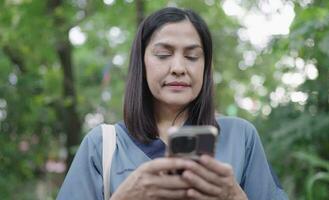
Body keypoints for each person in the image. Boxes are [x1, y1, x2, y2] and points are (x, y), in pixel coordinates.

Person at [57, 7, 288, 200]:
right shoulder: (103, 145)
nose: (178, 68)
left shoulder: (241, 136)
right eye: (163, 54)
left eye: (192, 57)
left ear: (206, 68)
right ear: (142, 62)